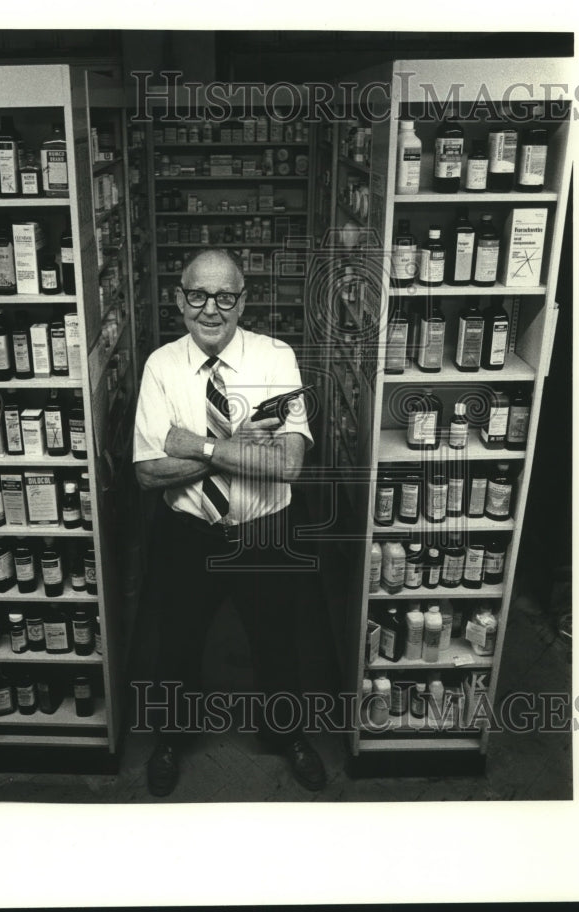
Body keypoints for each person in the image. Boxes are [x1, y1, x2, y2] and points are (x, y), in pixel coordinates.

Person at [133, 247, 326, 797]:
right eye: (197, 295)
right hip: (188, 535)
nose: (210, 309)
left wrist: (196, 444)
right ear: (179, 300)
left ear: (243, 302)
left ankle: (285, 735)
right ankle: (172, 737)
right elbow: (148, 472)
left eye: (224, 296)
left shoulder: (276, 358)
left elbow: (288, 464)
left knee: (278, 641)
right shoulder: (161, 367)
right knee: (176, 644)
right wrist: (239, 448)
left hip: (266, 532)